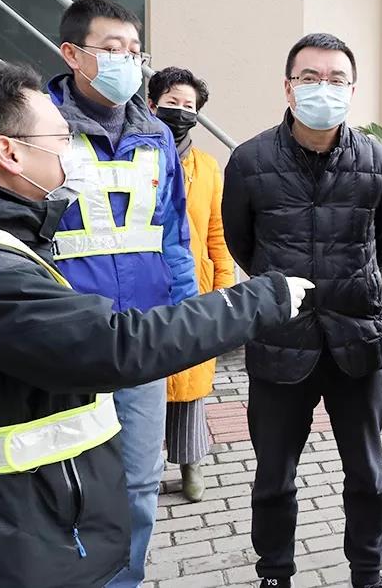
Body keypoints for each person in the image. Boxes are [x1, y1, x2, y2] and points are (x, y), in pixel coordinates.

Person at [0, 60, 313, 587]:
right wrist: (259, 300)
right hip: (9, 540)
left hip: (27, 521)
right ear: (9, 152)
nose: (73, 150)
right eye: (62, 137)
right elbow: (114, 346)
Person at [222, 33, 382, 588]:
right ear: (288, 86)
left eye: (336, 79)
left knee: (367, 475)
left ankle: (367, 572)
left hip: (358, 342)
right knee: (274, 476)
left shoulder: (377, 160)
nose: (324, 88)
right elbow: (241, 243)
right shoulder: (250, 161)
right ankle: (274, 573)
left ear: (352, 88)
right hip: (280, 341)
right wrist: (280, 293)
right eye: (310, 77)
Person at [45, 0, 198, 586]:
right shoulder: (39, 129)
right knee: (62, 482)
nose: (126, 61)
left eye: (134, 52)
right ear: (72, 53)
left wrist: (186, 320)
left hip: (144, 339)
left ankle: (123, 580)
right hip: (66, 341)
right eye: (111, 50)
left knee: (139, 482)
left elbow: (174, 234)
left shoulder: (156, 135)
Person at [148, 67, 233, 502]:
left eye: (189, 106)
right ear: (151, 105)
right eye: (172, 103)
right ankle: (143, 467)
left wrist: (224, 287)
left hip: (194, 288)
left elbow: (217, 231)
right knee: (146, 380)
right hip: (144, 289)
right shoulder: (136, 158)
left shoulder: (208, 167)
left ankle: (190, 464)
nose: (180, 112)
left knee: (190, 383)